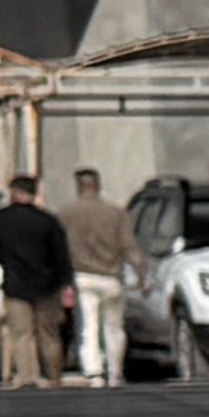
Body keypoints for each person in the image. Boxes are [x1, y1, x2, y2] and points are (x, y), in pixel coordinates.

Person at [0, 171, 72, 387]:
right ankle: (53, 375)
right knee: (49, 333)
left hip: (15, 283)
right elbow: (61, 255)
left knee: (22, 334)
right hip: (47, 285)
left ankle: (28, 375)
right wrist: (62, 281)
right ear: (34, 193)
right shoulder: (48, 221)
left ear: (14, 192)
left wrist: (7, 262)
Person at [55, 166, 134, 390]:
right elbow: (129, 245)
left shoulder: (66, 214)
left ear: (78, 187)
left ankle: (93, 371)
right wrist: (141, 274)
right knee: (114, 328)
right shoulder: (116, 212)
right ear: (98, 185)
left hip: (82, 277)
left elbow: (59, 249)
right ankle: (115, 371)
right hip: (111, 276)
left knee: (88, 326)